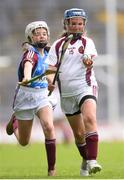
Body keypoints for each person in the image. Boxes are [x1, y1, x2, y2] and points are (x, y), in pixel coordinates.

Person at [45, 8, 102, 176]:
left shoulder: (87, 42)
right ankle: (85, 159)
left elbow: (89, 59)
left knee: (90, 118)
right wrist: (50, 82)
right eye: (73, 23)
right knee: (78, 135)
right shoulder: (57, 45)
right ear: (66, 24)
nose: (77, 27)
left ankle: (92, 160)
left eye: (80, 24)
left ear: (84, 25)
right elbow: (50, 68)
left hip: (85, 86)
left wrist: (88, 60)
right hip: (67, 94)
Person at [6, 21, 56, 176]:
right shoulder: (30, 53)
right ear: (31, 37)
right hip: (25, 96)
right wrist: (27, 77)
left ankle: (51, 169)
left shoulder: (49, 53)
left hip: (42, 96)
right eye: (37, 33)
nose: (41, 36)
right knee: (24, 142)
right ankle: (14, 123)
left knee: (48, 126)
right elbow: (28, 65)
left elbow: (49, 72)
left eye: (44, 33)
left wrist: (50, 83)